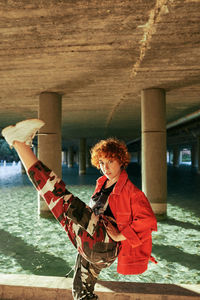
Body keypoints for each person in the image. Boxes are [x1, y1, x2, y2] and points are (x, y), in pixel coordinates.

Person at [2, 119, 157, 300]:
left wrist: (119, 235)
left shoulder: (132, 192)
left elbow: (147, 222)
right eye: (101, 162)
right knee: (81, 291)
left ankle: (20, 143)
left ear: (121, 161)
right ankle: (21, 144)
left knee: (60, 196)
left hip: (106, 244)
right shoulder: (102, 185)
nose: (105, 167)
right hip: (95, 248)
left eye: (110, 161)